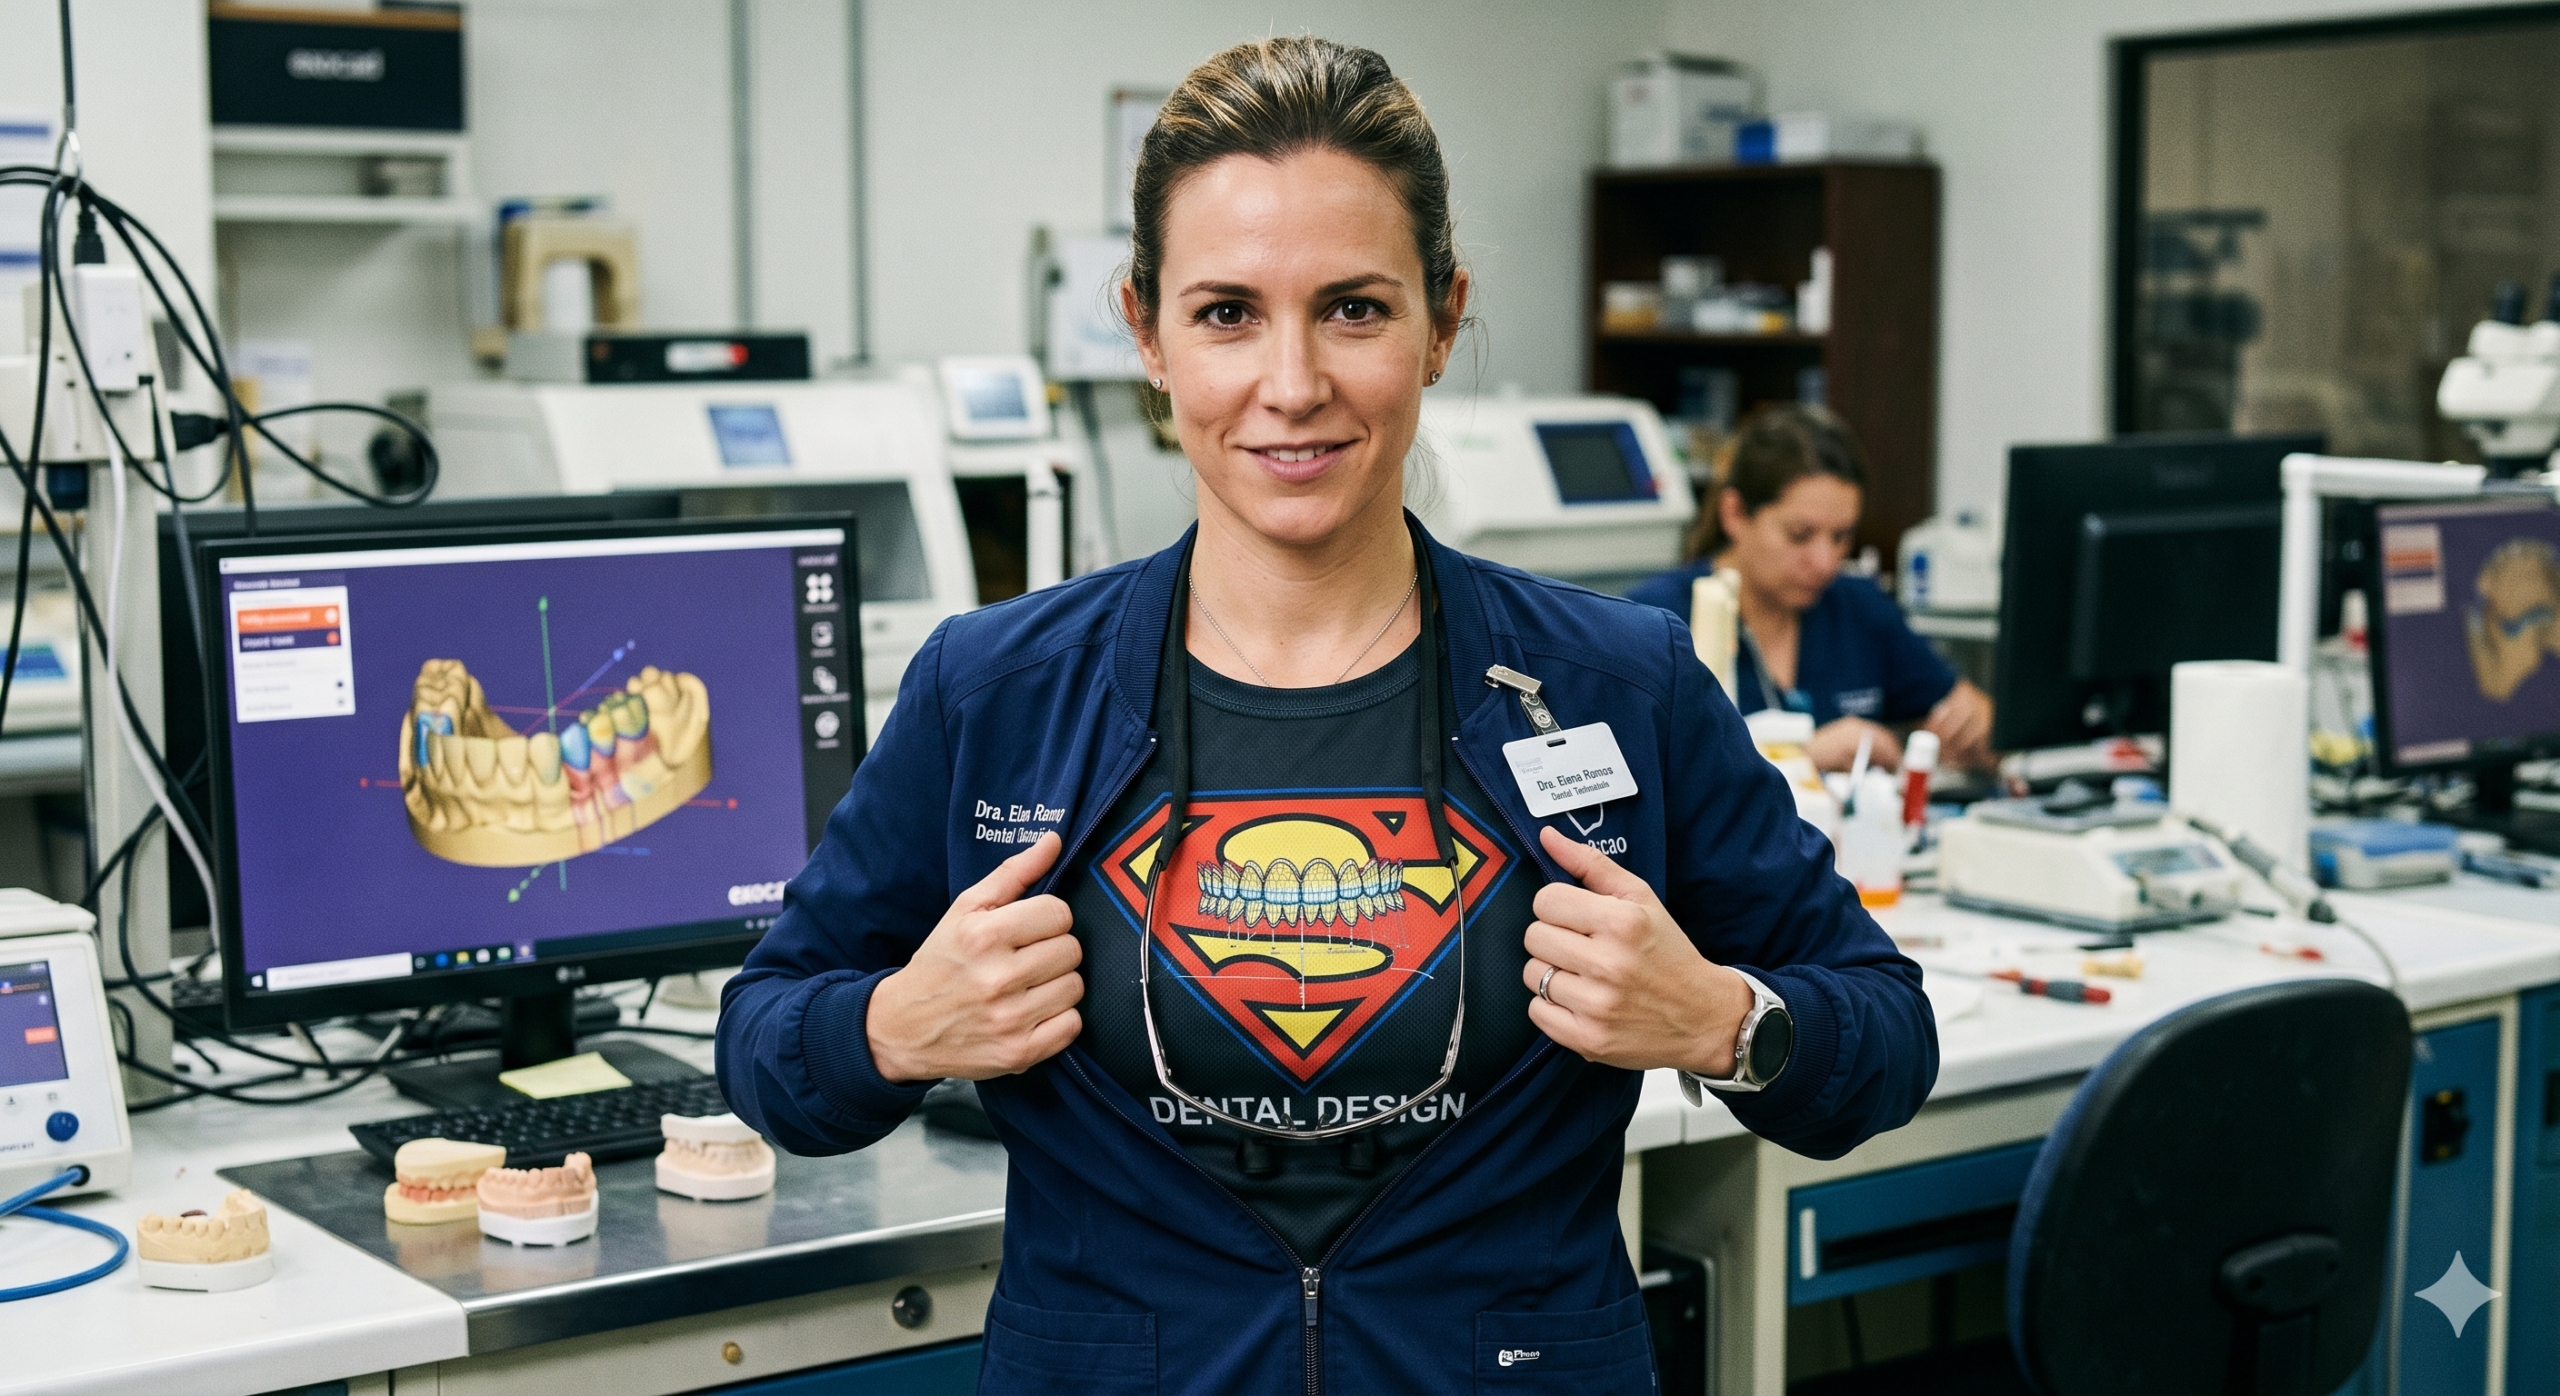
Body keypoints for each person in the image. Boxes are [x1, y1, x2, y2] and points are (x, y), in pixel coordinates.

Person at [719, 37, 1934, 1395]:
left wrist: (1723, 1019)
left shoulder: (1618, 681)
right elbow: (767, 1039)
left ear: (1443, 319)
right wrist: (890, 1029)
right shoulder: (994, 692)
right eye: (1227, 312)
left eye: (1353, 309)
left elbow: (1882, 1037)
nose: (1290, 384)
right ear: (1147, 333)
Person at [1628, 405, 1995, 772]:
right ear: (1735, 514)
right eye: (1800, 536)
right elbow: (1638, 775)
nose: (1825, 562)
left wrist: (1978, 728)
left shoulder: (1860, 610)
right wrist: (1801, 760)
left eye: (1841, 536)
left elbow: (1969, 716)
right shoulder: (1655, 623)